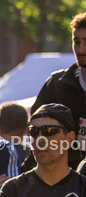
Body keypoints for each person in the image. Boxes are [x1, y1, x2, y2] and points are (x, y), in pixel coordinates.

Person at [33, 13, 86, 170]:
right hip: (62, 181)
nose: (81, 49)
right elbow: (36, 129)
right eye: (76, 42)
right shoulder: (57, 85)